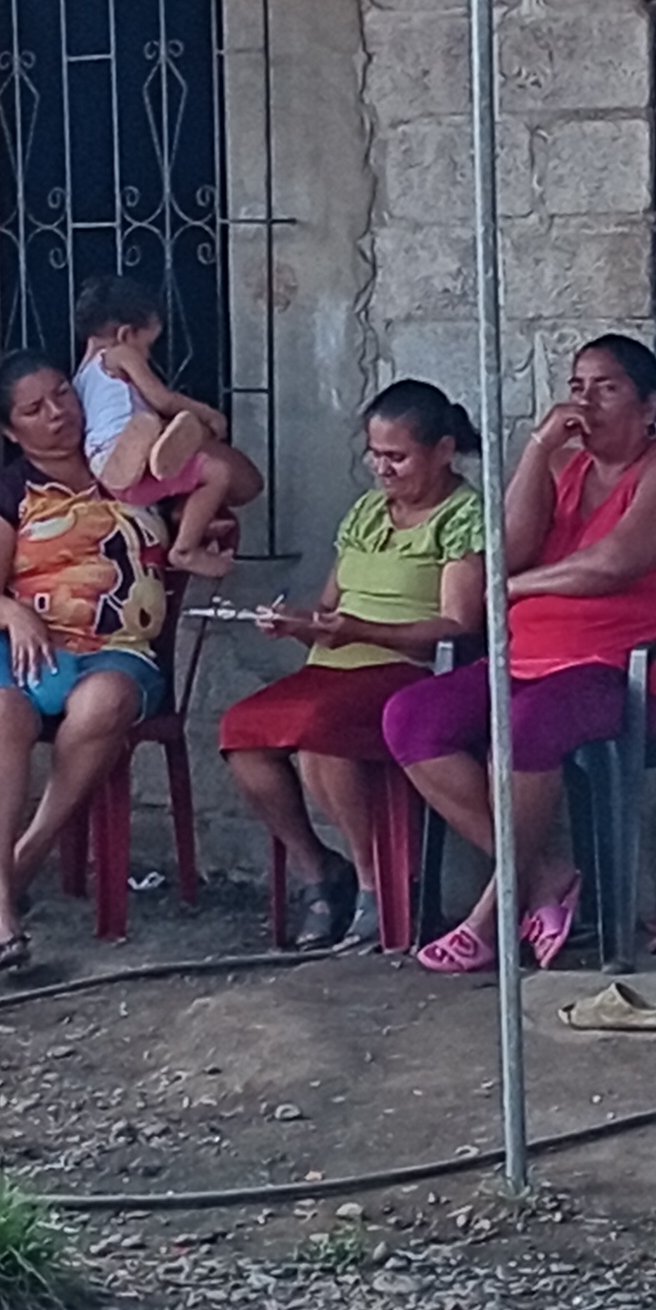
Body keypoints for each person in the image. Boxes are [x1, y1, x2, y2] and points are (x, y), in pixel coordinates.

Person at [382, 335, 656, 976]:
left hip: (633, 670)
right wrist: (538, 451)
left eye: (607, 388)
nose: (586, 403)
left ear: (649, 404)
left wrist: (512, 589)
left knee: (526, 724)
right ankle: (544, 877)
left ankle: (489, 916)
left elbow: (611, 563)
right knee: (411, 717)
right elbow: (506, 549)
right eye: (577, 387)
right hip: (529, 662)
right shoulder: (565, 467)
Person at [221, 381, 489, 953]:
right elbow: (329, 607)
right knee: (241, 731)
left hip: (406, 670)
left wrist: (361, 631)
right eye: (375, 454)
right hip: (334, 665)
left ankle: (378, 887)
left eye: (398, 457)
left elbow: (458, 626)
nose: (382, 469)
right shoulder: (367, 511)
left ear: (444, 451)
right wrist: (296, 622)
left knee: (321, 732)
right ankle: (319, 871)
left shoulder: (465, 514)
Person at [0, 355, 172, 980]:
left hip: (117, 647)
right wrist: (14, 614)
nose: (57, 413)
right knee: (2, 712)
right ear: (10, 429)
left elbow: (238, 480)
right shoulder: (3, 495)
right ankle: (0, 908)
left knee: (105, 701)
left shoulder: (129, 469)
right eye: (34, 409)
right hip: (24, 645)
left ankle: (27, 855)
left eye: (62, 395)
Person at [75, 274, 263, 583]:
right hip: (128, 454)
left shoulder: (81, 377)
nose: (148, 356)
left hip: (109, 472)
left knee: (179, 463)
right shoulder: (120, 354)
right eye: (148, 345)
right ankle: (185, 549)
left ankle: (183, 509)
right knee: (217, 473)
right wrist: (209, 414)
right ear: (125, 334)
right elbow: (163, 398)